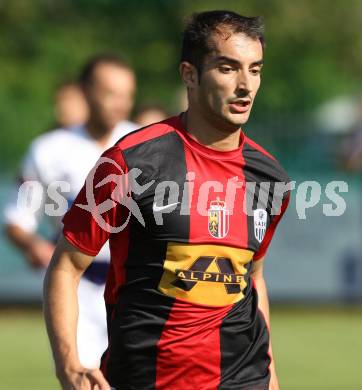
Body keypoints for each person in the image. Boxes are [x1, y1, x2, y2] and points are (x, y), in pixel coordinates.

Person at [44, 11, 290, 390]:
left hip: (244, 379)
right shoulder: (129, 162)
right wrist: (69, 365)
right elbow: (65, 267)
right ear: (189, 74)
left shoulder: (270, 176)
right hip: (145, 379)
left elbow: (253, 280)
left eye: (254, 70)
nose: (245, 85)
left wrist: (270, 377)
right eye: (228, 68)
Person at [4, 54, 137, 368]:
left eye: (126, 95)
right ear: (86, 92)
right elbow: (17, 218)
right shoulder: (49, 150)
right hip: (77, 288)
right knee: (86, 379)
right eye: (110, 93)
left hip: (136, 290)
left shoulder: (145, 144)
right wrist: (32, 243)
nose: (119, 103)